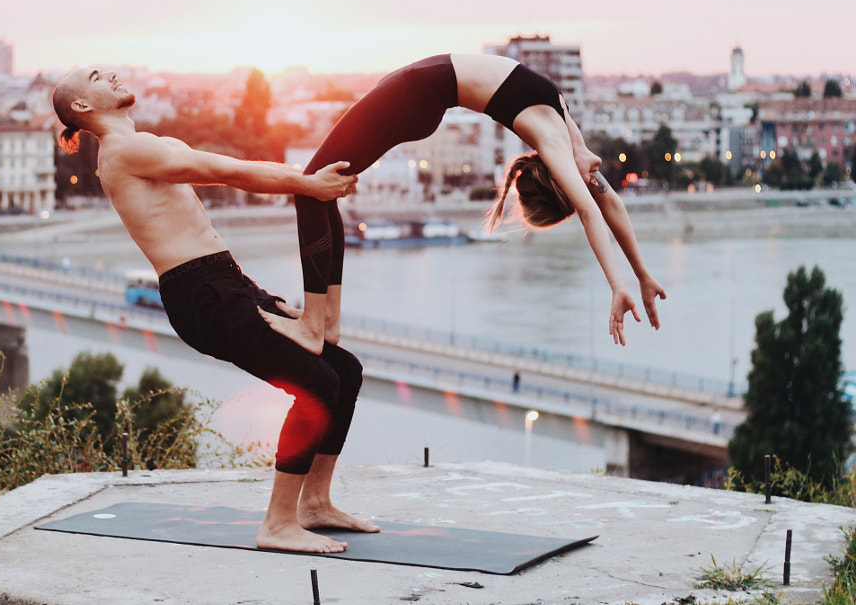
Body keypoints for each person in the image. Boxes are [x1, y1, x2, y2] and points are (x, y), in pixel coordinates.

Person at [51, 66, 377, 554]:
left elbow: (234, 162)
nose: (112, 75)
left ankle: (315, 504)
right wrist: (307, 185)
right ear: (82, 107)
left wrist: (304, 180)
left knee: (343, 370)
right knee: (317, 384)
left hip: (227, 282)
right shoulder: (124, 152)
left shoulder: (152, 143)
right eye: (98, 76)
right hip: (202, 293)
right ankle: (278, 524)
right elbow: (228, 171)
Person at [260, 53, 667, 354]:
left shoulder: (556, 142)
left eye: (588, 182)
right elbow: (608, 206)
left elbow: (593, 212)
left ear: (561, 179)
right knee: (323, 188)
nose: (597, 179)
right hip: (420, 98)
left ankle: (315, 325)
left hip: (413, 93)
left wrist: (618, 285)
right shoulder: (565, 125)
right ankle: (326, 321)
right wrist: (643, 274)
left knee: (310, 185)